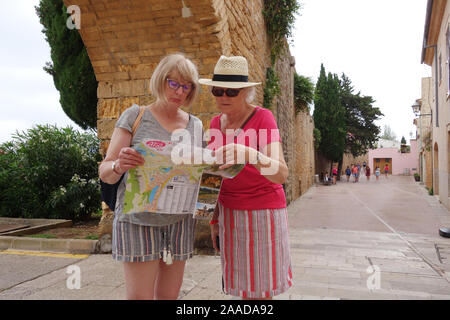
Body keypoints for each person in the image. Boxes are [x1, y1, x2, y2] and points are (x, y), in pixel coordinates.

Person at [98, 54, 203, 300]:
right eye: (173, 83)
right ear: (160, 80)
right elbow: (105, 173)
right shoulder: (135, 116)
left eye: (186, 86)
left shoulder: (195, 126)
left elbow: (199, 174)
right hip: (137, 220)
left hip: (179, 221)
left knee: (169, 297)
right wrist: (118, 165)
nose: (179, 91)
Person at [200, 55, 293, 299]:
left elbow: (281, 173)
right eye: (217, 91)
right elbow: (214, 175)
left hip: (262, 213)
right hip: (230, 214)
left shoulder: (263, 118)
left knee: (260, 290)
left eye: (231, 92)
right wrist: (213, 220)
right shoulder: (214, 123)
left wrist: (250, 154)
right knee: (242, 287)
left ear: (245, 92)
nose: (223, 97)